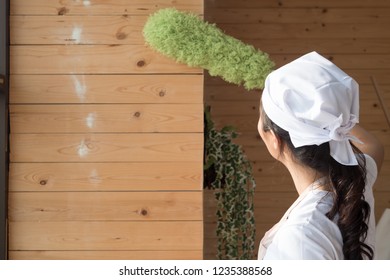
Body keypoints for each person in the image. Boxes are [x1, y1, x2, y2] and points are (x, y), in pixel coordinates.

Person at [257, 51, 384, 260]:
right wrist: (332, 113)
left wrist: (327, 115)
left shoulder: (300, 237)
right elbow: (374, 146)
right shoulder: (356, 175)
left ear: (274, 139)